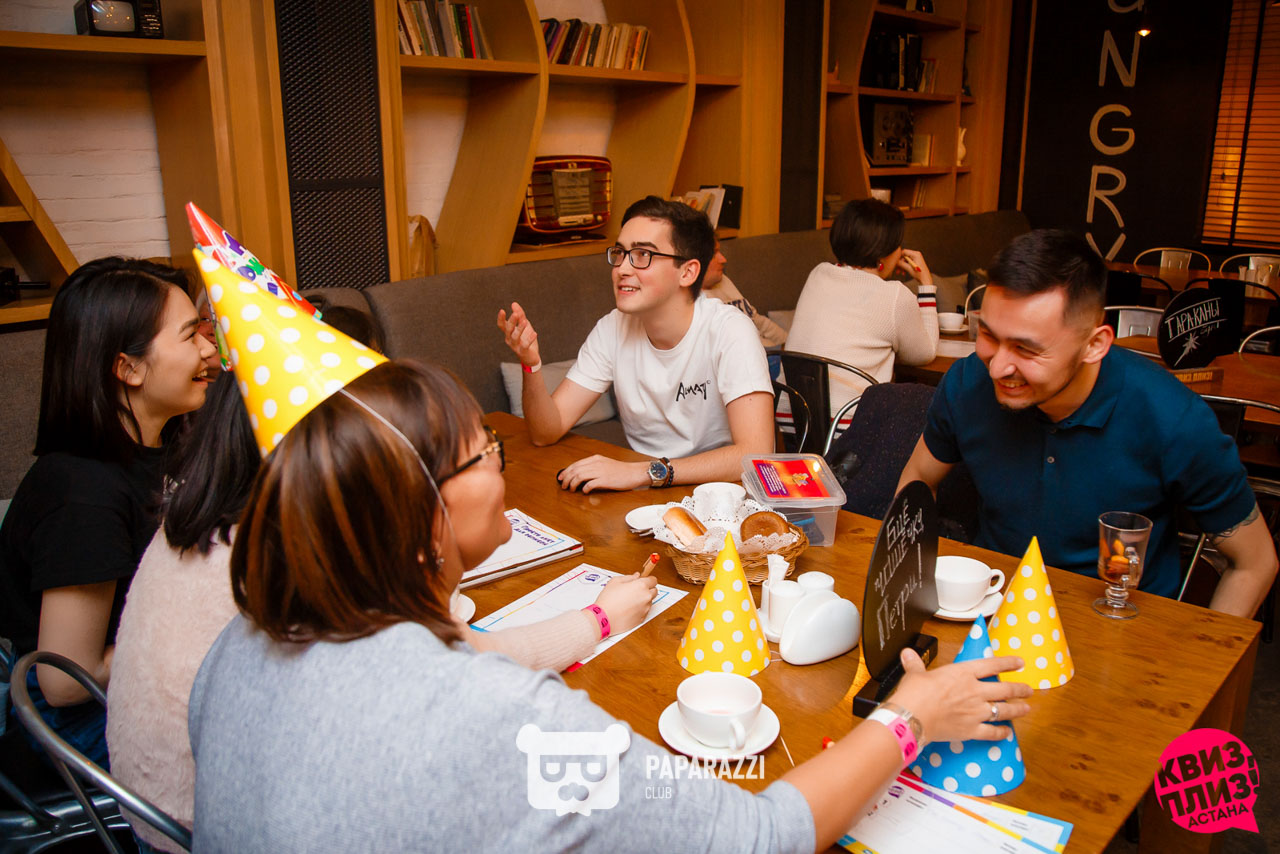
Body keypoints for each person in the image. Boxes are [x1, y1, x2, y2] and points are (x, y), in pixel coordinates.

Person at [188, 357, 1032, 852]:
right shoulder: (503, 720)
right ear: (420, 523)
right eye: (484, 453)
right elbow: (757, 836)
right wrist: (911, 718)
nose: (500, 462)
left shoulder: (238, 647)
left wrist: (593, 621)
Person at [108, 316, 652, 852]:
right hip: (184, 825)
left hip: (197, 806)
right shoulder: (292, 558)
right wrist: (597, 619)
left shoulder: (237, 533)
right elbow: (455, 667)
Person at [896, 229, 1278, 619]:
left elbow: (1255, 563)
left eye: (1026, 349)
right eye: (989, 336)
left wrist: (1204, 655)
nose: (997, 367)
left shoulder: (1172, 418)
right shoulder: (967, 383)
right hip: (991, 612)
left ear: (1094, 345)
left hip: (1117, 626)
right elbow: (918, 479)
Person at [0, 257, 216, 768]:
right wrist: (196, 633)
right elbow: (64, 680)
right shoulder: (83, 492)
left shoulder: (168, 444)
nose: (209, 349)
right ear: (129, 368)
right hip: (73, 721)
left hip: (134, 684)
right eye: (190, 336)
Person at [497, 196, 775, 493]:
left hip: (720, 496)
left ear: (688, 272)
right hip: (644, 498)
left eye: (643, 255)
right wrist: (531, 363)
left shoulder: (730, 331)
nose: (622, 269)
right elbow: (545, 432)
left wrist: (646, 472)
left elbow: (756, 455)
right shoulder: (613, 328)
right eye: (620, 253)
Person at [786, 198, 940, 420]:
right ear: (882, 253)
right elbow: (924, 353)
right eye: (898, 244)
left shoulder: (818, 274)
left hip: (792, 417)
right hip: (847, 424)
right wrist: (926, 284)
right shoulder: (895, 295)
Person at [700, 238, 789, 349]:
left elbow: (758, 320)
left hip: (771, 350)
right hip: (757, 354)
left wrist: (790, 343)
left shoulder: (722, 280)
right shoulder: (698, 304)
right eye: (714, 254)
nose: (723, 259)